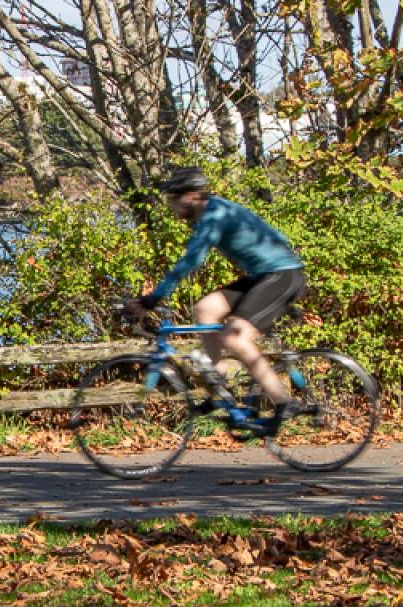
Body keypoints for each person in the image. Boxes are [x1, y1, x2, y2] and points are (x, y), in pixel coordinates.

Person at [126, 167, 308, 429]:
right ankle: (219, 386)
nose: (171, 206)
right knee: (206, 309)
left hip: (281, 275)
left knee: (235, 337)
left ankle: (283, 401)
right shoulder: (212, 212)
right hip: (263, 276)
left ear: (190, 196)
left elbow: (192, 260)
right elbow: (277, 236)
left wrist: (152, 299)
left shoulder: (214, 216)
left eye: (173, 199)